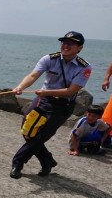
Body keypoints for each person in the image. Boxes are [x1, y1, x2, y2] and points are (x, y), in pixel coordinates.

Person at [9, 31, 92, 179]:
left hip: (62, 105)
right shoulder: (49, 58)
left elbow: (71, 91)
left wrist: (47, 92)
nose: (65, 45)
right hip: (43, 100)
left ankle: (18, 162)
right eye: (63, 42)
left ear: (80, 48)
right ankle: (47, 160)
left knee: (41, 135)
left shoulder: (84, 67)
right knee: (27, 130)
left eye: (70, 43)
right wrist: (21, 87)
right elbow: (33, 75)